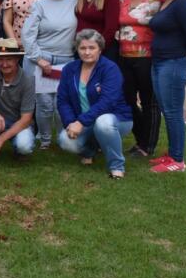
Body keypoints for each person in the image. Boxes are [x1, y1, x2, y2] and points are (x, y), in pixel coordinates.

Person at [57, 29, 133, 179]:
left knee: (103, 123)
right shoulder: (69, 69)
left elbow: (108, 102)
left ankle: (116, 166)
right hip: (84, 121)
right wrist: (71, 122)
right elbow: (63, 100)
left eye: (92, 48)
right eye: (83, 48)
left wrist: (80, 122)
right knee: (65, 141)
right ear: (77, 49)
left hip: (117, 119)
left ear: (100, 49)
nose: (87, 52)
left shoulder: (110, 68)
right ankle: (89, 150)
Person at [148, 0, 186, 173]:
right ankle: (171, 154)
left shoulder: (182, 4)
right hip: (161, 62)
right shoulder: (166, 2)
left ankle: (177, 160)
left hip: (174, 64)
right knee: (167, 110)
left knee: (173, 112)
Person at [21, 0, 78, 149]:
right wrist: (38, 59)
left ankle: (62, 138)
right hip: (43, 60)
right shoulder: (39, 5)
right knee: (44, 104)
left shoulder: (76, 3)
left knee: (63, 104)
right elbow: (27, 35)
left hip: (66, 61)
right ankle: (44, 139)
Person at [117, 0, 161, 158]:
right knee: (127, 100)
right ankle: (141, 138)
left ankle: (147, 146)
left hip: (148, 57)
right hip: (124, 56)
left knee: (149, 101)